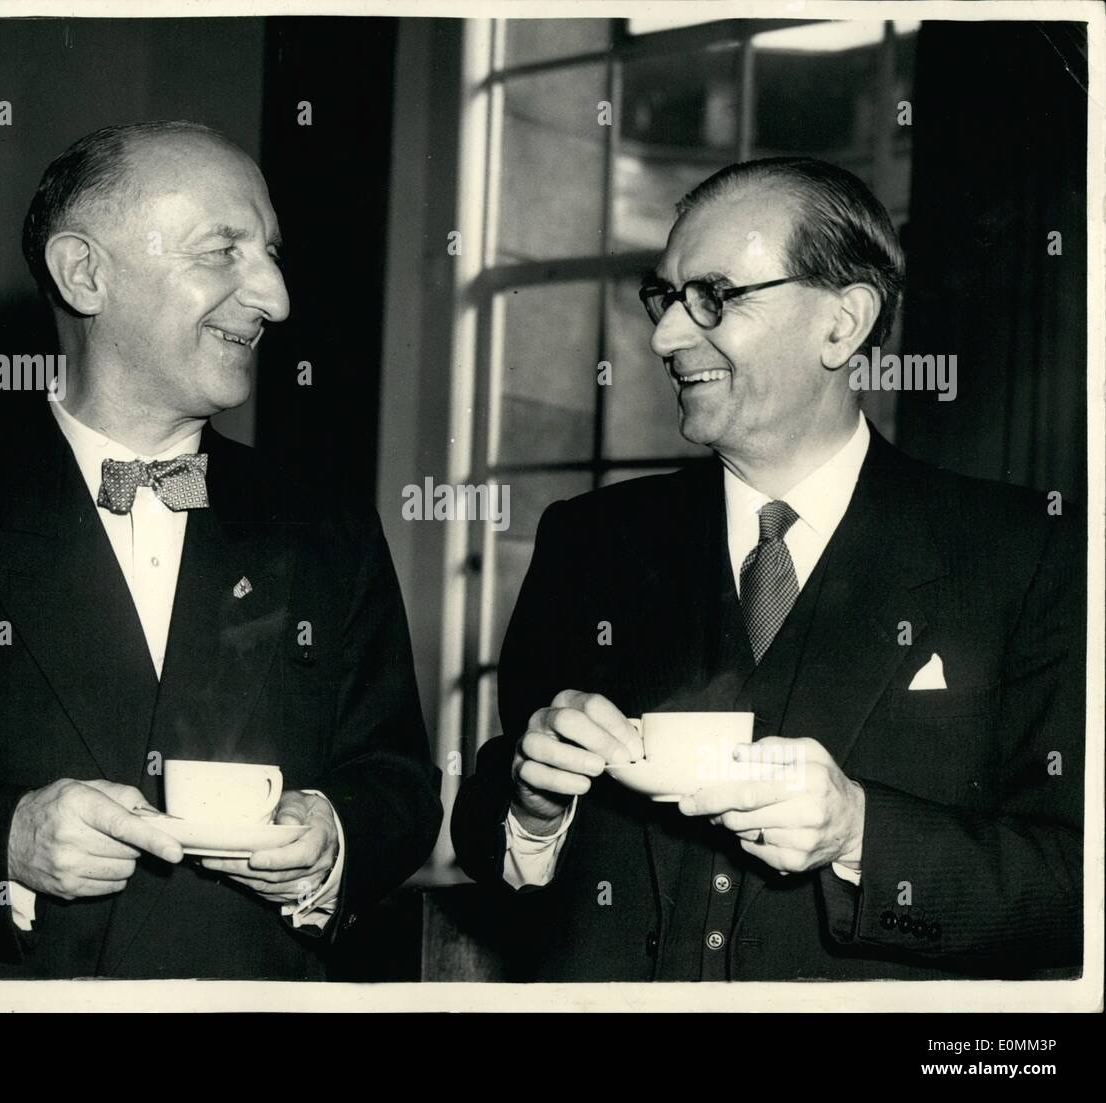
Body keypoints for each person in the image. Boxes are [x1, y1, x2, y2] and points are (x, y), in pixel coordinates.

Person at [451, 157, 1085, 981]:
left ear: (843, 323)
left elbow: (1075, 889)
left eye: (714, 296)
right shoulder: (590, 541)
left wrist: (860, 832)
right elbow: (490, 817)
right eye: (666, 297)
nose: (665, 337)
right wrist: (534, 809)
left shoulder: (1023, 553)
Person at [0, 121, 441, 979]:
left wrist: (333, 833)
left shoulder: (326, 527)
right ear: (86, 273)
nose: (274, 296)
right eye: (222, 251)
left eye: (269, 252)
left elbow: (399, 779)